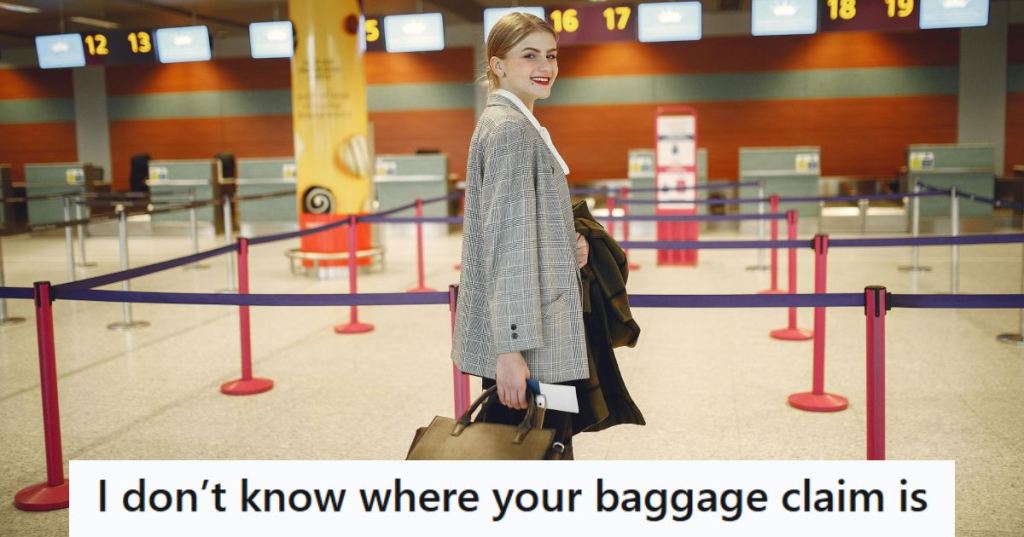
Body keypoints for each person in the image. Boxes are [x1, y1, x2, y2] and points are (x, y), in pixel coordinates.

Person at [452, 12, 628, 459]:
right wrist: (509, 353)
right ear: (498, 65)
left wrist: (573, 243)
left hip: (535, 329)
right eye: (528, 55)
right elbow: (507, 249)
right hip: (529, 342)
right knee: (535, 453)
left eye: (550, 55)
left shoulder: (516, 123)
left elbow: (524, 227)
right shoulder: (511, 131)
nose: (544, 65)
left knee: (540, 449)